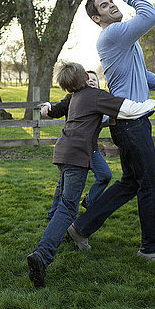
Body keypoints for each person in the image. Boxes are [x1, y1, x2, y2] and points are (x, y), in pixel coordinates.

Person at [66, 0, 155, 265]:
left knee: (132, 182)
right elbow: (151, 16)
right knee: (152, 183)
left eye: (111, 1)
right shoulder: (112, 34)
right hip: (130, 124)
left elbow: (140, 76)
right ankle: (152, 248)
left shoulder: (123, 40)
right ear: (97, 19)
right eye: (105, 6)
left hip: (130, 122)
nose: (112, 5)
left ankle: (80, 227)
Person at [27, 62, 155, 288]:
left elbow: (58, 110)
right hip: (77, 155)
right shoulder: (95, 95)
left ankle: (43, 251)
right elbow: (128, 108)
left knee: (65, 203)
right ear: (83, 78)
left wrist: (48, 106)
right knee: (68, 208)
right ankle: (42, 255)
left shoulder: (75, 97)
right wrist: (150, 103)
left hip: (63, 152)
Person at [42, 71, 113, 218]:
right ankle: (53, 213)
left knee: (105, 175)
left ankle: (89, 201)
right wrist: (48, 106)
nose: (92, 81)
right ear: (83, 82)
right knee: (63, 184)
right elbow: (57, 110)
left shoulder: (100, 100)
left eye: (95, 79)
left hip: (91, 149)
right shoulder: (73, 98)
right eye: (89, 79)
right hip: (74, 149)